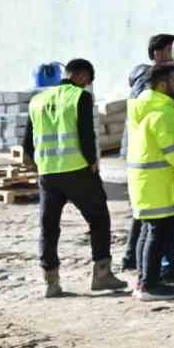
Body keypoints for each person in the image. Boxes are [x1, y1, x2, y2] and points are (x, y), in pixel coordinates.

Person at [22, 59, 127, 297]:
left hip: (48, 173)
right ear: (81, 76)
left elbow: (28, 141)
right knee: (99, 219)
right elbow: (86, 134)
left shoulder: (37, 100)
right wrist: (92, 163)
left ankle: (51, 281)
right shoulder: (79, 97)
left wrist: (37, 164)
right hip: (77, 170)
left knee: (49, 227)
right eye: (88, 81)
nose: (88, 85)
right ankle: (102, 274)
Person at [125, 65, 174, 301]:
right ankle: (150, 284)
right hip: (161, 184)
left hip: (146, 183)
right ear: (163, 84)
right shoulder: (163, 113)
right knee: (156, 233)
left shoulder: (141, 108)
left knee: (148, 231)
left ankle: (145, 280)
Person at [122, 33, 174, 273]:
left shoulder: (151, 89)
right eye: (171, 50)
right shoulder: (151, 88)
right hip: (152, 164)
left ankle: (139, 265)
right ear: (159, 53)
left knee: (148, 221)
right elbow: (169, 143)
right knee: (153, 223)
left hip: (145, 162)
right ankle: (151, 273)